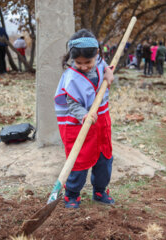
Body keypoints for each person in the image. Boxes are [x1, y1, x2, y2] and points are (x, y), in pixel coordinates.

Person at [54, 29, 115, 209]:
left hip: (101, 122)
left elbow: (106, 67)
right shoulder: (71, 78)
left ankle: (100, 191)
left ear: (96, 54)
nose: (84, 66)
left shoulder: (100, 62)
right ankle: (72, 194)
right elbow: (72, 105)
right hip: (79, 124)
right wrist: (84, 115)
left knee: (104, 159)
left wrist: (109, 73)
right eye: (78, 62)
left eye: (87, 62)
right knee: (79, 161)